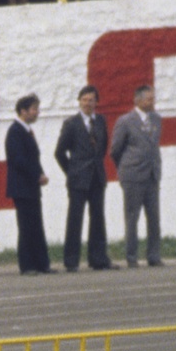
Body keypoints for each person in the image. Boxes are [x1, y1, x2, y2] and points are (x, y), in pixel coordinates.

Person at [55, 85, 112, 273]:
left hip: (96, 177)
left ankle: (98, 258)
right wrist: (72, 171)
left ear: (96, 102)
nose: (88, 103)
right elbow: (59, 152)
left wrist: (96, 166)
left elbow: (103, 147)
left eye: (91, 100)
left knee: (97, 218)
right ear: (79, 101)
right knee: (75, 219)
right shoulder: (71, 123)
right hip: (78, 179)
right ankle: (71, 260)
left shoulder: (100, 121)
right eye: (85, 100)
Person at [114, 82, 163, 267]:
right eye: (149, 99)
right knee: (132, 217)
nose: (152, 102)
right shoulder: (125, 121)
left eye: (153, 98)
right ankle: (132, 256)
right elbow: (115, 149)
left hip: (152, 174)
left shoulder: (157, 119)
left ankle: (154, 255)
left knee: (154, 217)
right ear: (138, 100)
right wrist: (126, 169)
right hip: (133, 176)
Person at [4, 93, 51, 275]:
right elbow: (18, 160)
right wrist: (37, 175)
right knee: (26, 226)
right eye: (34, 109)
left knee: (36, 224)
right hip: (22, 187)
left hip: (31, 186)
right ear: (23, 111)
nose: (37, 113)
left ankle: (41, 263)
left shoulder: (27, 131)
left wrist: (40, 174)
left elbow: (32, 158)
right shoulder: (15, 131)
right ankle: (27, 265)